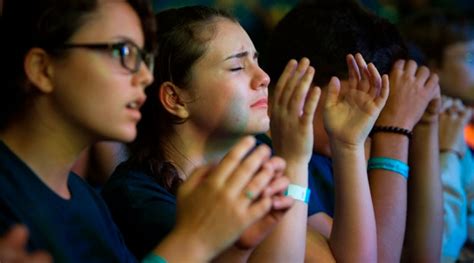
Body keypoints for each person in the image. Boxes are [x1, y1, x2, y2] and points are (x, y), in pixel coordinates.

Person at [0, 0, 290, 262]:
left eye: (143, 59)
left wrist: (232, 251)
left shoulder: (85, 198)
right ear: (43, 69)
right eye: (122, 52)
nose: (145, 77)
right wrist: (195, 241)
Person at [102, 5, 389, 262]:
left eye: (256, 60)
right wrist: (293, 161)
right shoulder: (137, 195)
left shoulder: (251, 163)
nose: (263, 77)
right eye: (238, 66)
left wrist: (348, 145)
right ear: (176, 99)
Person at [262, 0, 443, 261]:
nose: (369, 118)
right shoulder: (266, 156)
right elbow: (379, 258)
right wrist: (394, 129)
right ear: (302, 82)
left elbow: (424, 257)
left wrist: (426, 124)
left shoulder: (333, 152)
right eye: (357, 99)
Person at [400, 9, 474, 262]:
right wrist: (447, 155)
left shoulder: (460, 122)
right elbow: (440, 251)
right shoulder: (411, 132)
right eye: (470, 57)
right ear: (430, 68)